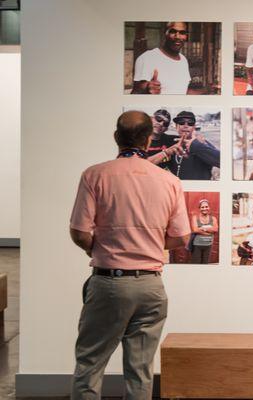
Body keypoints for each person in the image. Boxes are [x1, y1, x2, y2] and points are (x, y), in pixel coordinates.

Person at [69, 111, 191, 399]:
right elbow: (182, 237)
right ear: (150, 139)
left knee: (90, 365)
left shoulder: (95, 174)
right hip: (151, 286)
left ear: (116, 138)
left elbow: (79, 231)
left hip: (109, 283)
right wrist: (148, 243)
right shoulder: (168, 181)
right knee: (140, 371)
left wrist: (95, 246)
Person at [131, 22, 193, 95]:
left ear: (186, 36)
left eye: (182, 33)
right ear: (165, 34)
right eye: (172, 32)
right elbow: (134, 94)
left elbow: (183, 91)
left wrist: (206, 90)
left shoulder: (183, 60)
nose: (177, 37)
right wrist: (147, 90)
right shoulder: (147, 58)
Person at [168, 111, 221, 180]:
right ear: (176, 126)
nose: (185, 125)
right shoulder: (172, 143)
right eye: (181, 122)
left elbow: (222, 162)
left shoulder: (202, 143)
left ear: (194, 127)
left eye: (190, 123)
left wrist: (196, 146)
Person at [190, 199, 218, 264]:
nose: (204, 208)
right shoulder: (195, 217)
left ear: (209, 207)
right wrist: (209, 232)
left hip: (208, 245)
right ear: (199, 208)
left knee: (205, 263)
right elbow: (195, 230)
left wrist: (202, 228)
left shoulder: (213, 218)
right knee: (196, 264)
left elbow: (215, 229)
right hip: (197, 245)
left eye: (206, 206)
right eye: (202, 207)